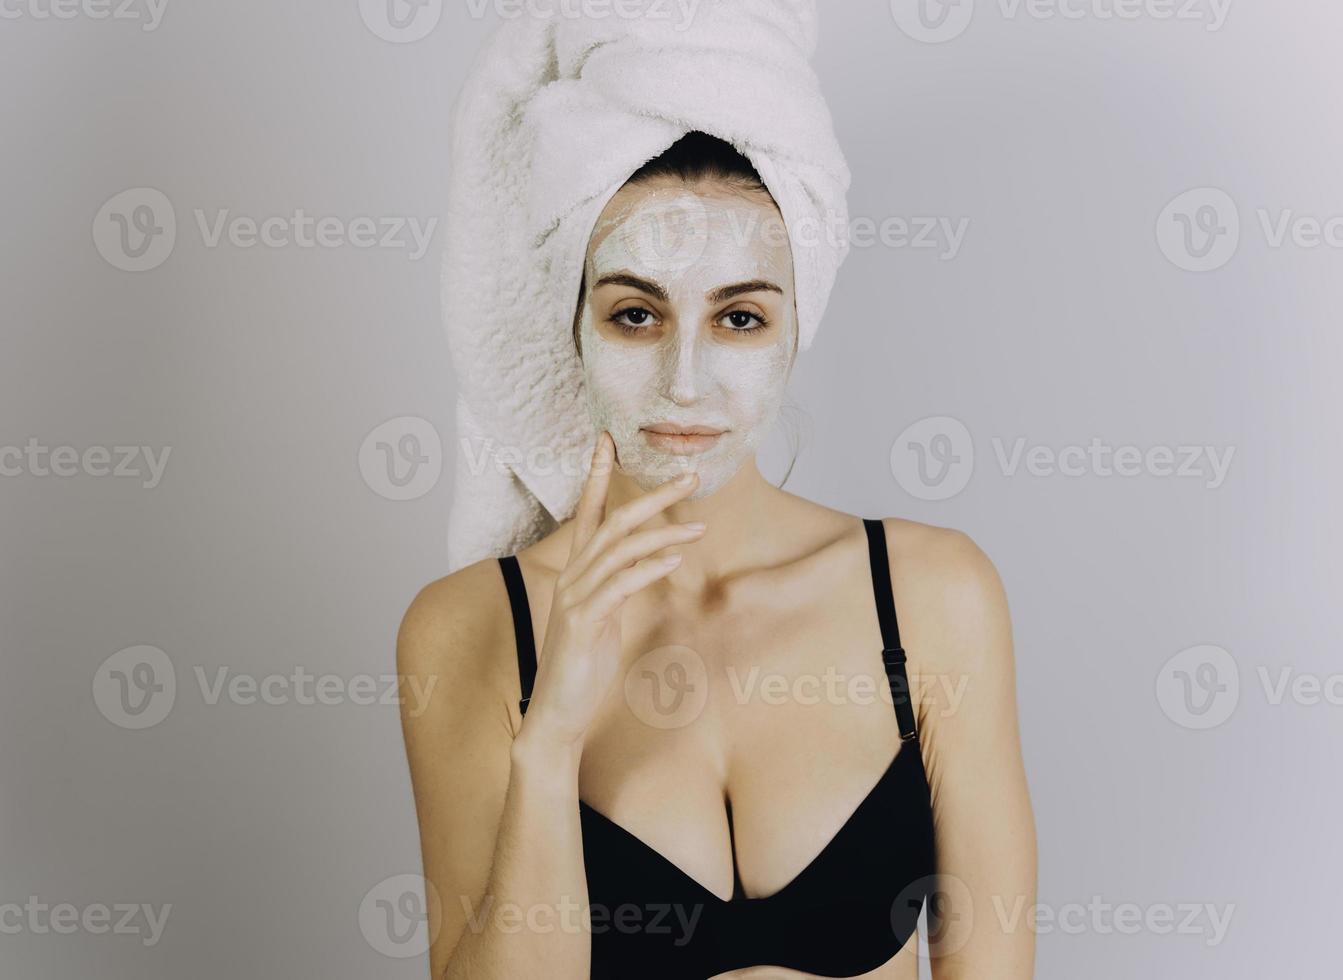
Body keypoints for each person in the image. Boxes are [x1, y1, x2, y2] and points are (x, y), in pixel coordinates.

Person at [398, 131, 1037, 979]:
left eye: (738, 318)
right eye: (636, 314)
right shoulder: (466, 629)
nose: (685, 382)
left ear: (795, 328)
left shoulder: (932, 595)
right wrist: (549, 738)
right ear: (574, 329)